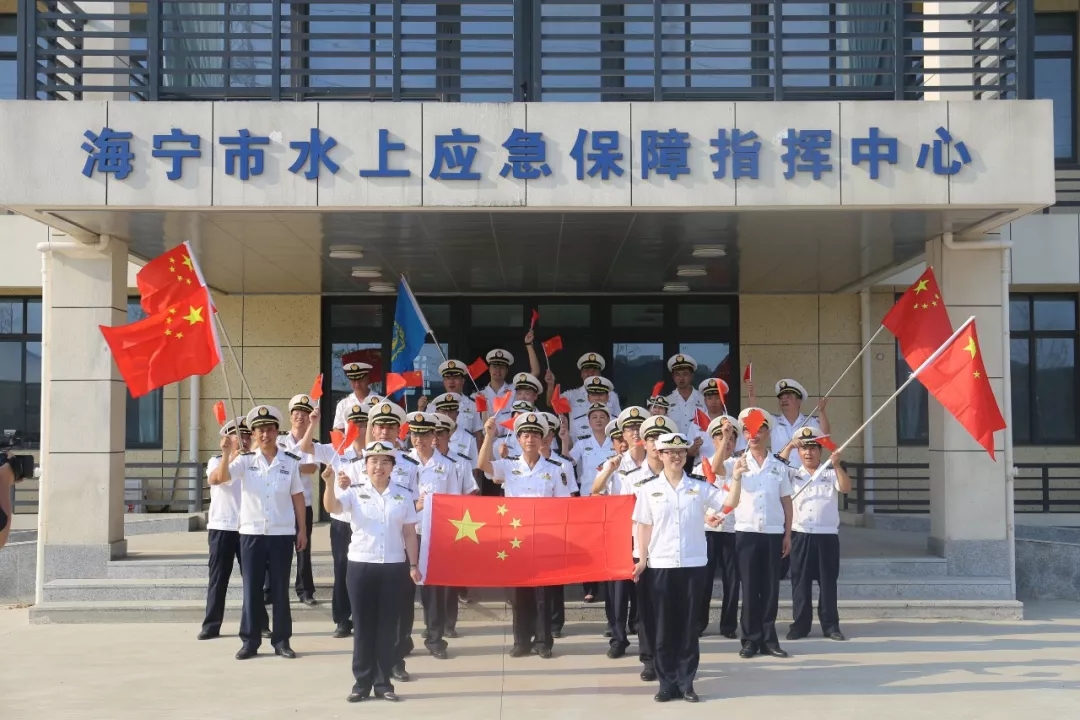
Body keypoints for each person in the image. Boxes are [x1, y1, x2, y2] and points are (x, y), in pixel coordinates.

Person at [324, 440, 422, 703]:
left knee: (388, 626)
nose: (379, 466)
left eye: (385, 461)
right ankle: (361, 683)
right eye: (374, 461)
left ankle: (383, 682)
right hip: (361, 565)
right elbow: (332, 507)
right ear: (365, 466)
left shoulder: (403, 494)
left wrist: (413, 565)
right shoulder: (354, 492)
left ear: (392, 466)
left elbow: (409, 533)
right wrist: (329, 484)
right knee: (363, 626)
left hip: (393, 566)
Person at [631, 432, 727, 703]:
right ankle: (666, 683)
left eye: (681, 452)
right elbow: (643, 526)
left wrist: (739, 478)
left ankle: (686, 683)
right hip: (660, 565)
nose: (676, 456)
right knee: (663, 626)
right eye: (670, 452)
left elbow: (727, 503)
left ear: (686, 455)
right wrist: (642, 560)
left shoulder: (698, 486)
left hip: (692, 564)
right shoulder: (648, 489)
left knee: (688, 627)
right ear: (660, 455)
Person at [209, 405, 308, 660]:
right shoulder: (245, 461)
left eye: (269, 429)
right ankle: (250, 641)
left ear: (277, 431)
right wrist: (226, 453)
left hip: (281, 534)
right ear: (253, 434)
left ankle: (282, 641)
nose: (265, 434)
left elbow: (298, 496)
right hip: (251, 533)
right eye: (260, 430)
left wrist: (302, 530)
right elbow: (221, 478)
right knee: (252, 590)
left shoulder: (289, 462)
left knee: (280, 590)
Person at [478, 412, 570, 658]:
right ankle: (521, 641)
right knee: (518, 593)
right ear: (518, 439)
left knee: (543, 593)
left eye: (535, 435)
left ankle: (543, 641)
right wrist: (489, 437)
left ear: (543, 439)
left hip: (544, 537)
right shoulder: (508, 466)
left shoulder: (555, 469)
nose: (530, 440)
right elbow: (483, 465)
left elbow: (563, 505)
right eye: (526, 435)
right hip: (516, 539)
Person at [723, 407, 794, 660]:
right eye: (748, 431)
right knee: (750, 588)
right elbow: (715, 469)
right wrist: (725, 438)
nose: (753, 435)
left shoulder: (779, 466)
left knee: (771, 589)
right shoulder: (736, 463)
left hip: (773, 533)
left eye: (758, 430)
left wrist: (788, 534)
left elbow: (786, 501)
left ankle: (769, 639)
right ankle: (750, 639)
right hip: (747, 533)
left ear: (767, 433)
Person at [301, 404, 368, 639]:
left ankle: (363, 618)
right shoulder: (337, 449)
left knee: (364, 571)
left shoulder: (376, 453)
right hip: (341, 521)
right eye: (354, 424)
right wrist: (313, 423)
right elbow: (305, 447)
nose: (358, 429)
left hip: (366, 521)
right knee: (342, 570)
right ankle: (342, 619)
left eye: (363, 424)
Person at [365, 400, 420, 680]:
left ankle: (397, 658)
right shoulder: (360, 463)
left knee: (400, 605)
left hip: (400, 544)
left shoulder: (410, 465)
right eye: (380, 426)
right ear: (373, 430)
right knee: (370, 608)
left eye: (390, 427)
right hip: (369, 546)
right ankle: (371, 661)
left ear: (400, 430)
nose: (384, 431)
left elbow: (417, 503)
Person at [406, 411, 467, 659]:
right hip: (407, 533)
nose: (418, 439)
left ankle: (435, 639)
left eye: (423, 434)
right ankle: (402, 640)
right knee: (404, 592)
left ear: (433, 436)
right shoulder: (401, 462)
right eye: (414, 434)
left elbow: (453, 504)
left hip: (434, 535)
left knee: (434, 591)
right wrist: (415, 506)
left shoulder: (447, 466)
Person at [783, 426, 851, 642]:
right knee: (800, 583)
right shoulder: (792, 474)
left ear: (820, 451)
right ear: (798, 452)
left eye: (813, 448)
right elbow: (777, 467)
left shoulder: (830, 472)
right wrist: (788, 448)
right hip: (800, 534)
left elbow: (846, 488)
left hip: (826, 536)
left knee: (828, 582)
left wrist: (837, 464)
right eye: (804, 448)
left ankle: (831, 626)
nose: (808, 453)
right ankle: (800, 626)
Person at [198, 417, 251, 640]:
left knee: (252, 580)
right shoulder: (217, 460)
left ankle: (257, 624)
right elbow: (216, 479)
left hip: (248, 527)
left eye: (247, 436)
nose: (244, 440)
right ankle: (211, 625)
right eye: (239, 436)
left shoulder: (253, 462)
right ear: (227, 439)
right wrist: (230, 455)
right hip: (222, 526)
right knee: (218, 578)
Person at [431, 411, 481, 635]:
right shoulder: (418, 461)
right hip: (425, 528)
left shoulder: (460, 462)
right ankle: (432, 624)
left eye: (440, 434)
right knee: (429, 582)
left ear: (449, 435)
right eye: (432, 434)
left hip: (452, 528)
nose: (435, 439)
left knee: (449, 580)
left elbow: (471, 493)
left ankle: (448, 624)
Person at [695, 415, 740, 639]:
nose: (727, 441)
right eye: (722, 437)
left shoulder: (741, 464)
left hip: (733, 529)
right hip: (708, 530)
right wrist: (704, 518)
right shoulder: (700, 466)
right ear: (713, 440)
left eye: (731, 438)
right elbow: (694, 498)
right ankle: (698, 623)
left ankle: (728, 625)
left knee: (732, 580)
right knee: (704, 580)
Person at [277, 393, 321, 606]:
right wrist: (294, 467)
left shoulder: (314, 443)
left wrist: (289, 466)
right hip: (280, 504)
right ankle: (272, 589)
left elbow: (312, 468)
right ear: (290, 416)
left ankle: (305, 590)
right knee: (276, 549)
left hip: (304, 504)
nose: (300, 417)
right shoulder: (278, 441)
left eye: (304, 413)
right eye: (296, 413)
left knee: (303, 548)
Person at [769, 378, 831, 463]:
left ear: (799, 401)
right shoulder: (773, 421)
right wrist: (752, 399)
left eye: (788, 396)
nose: (784, 400)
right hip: (780, 469)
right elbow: (753, 424)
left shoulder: (810, 421)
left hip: (802, 470)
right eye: (781, 398)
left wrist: (822, 411)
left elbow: (825, 437)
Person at [545, 351, 622, 417]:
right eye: (587, 370)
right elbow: (552, 404)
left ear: (600, 374)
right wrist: (550, 384)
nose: (590, 373)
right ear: (581, 374)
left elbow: (617, 421)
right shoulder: (572, 395)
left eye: (594, 370)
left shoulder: (611, 395)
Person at [664, 354, 708, 450]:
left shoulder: (703, 399)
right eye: (677, 374)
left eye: (685, 374)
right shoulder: (667, 401)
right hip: (675, 450)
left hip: (699, 450)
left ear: (692, 376)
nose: (681, 378)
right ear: (673, 377)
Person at [436, 360, 482, 439]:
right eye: (448, 378)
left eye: (455, 378)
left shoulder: (473, 405)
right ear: (444, 382)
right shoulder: (434, 405)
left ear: (462, 381)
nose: (451, 382)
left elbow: (478, 434)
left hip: (466, 446)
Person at [432, 392, 479, 461]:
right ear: (437, 413)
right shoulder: (430, 436)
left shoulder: (468, 439)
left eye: (451, 412)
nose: (447, 416)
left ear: (457, 413)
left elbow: (474, 465)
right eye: (444, 411)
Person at [333, 361, 374, 431]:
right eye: (353, 380)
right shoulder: (343, 404)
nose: (357, 384)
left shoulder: (380, 401)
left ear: (367, 379)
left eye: (360, 380)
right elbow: (337, 429)